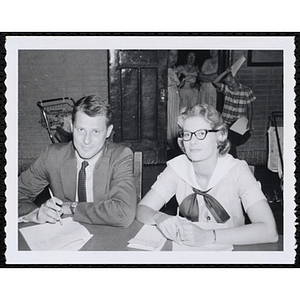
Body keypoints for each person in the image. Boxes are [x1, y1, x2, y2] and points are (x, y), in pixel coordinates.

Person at [136, 104, 278, 247]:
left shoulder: (237, 171)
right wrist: (159, 217)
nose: (192, 141)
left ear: (220, 135)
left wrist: (208, 236)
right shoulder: (177, 168)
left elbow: (269, 231)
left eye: (201, 133)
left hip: (231, 250)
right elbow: (142, 209)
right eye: (187, 134)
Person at [18, 95, 137, 227]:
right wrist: (35, 214)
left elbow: (124, 213)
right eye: (81, 130)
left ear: (108, 132)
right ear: (71, 126)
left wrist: (73, 208)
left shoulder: (120, 156)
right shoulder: (52, 156)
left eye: (96, 132)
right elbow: (13, 194)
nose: (86, 140)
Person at [213, 67, 256, 158]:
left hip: (238, 123)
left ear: (235, 77)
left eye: (231, 80)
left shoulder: (246, 91)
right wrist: (226, 71)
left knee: (231, 141)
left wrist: (249, 121)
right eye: (228, 82)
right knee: (229, 141)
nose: (231, 83)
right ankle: (232, 159)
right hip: (226, 122)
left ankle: (231, 159)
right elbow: (215, 82)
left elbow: (250, 107)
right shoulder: (227, 90)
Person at [167, 50, 184, 157]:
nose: (174, 58)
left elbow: (176, 84)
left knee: (175, 123)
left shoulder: (173, 70)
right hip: (169, 98)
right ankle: (176, 152)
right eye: (171, 55)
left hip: (175, 99)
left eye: (176, 55)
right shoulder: (163, 69)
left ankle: (176, 150)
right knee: (170, 125)